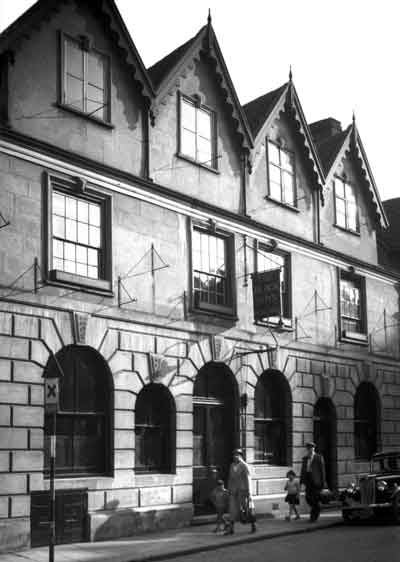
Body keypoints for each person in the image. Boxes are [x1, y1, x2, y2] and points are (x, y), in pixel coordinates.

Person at [224, 448, 256, 535]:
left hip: (243, 491)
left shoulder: (244, 465)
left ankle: (253, 525)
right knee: (232, 510)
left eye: (237, 455)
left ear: (241, 456)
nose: (235, 456)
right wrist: (228, 489)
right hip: (234, 491)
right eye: (234, 455)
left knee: (247, 509)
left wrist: (249, 492)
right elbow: (230, 478)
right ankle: (231, 529)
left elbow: (248, 479)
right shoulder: (231, 465)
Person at [300, 441, 327, 522]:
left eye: (311, 448)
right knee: (308, 498)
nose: (310, 449)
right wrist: (301, 482)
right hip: (308, 480)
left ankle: (313, 517)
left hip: (316, 481)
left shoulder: (319, 457)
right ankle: (317, 507)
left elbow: (322, 471)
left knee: (314, 499)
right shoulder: (305, 458)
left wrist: (323, 483)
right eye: (308, 448)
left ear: (314, 448)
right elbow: (303, 470)